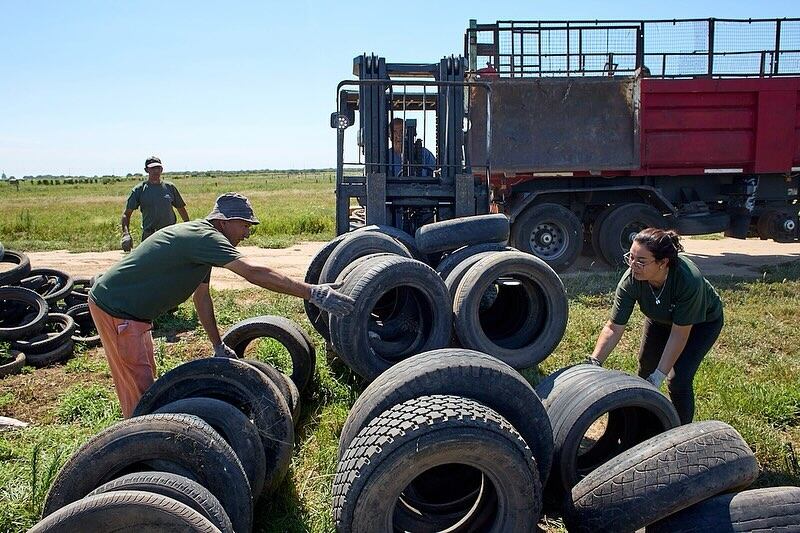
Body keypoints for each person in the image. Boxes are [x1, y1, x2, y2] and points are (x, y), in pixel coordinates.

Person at [89, 193, 354, 417]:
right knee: (140, 393)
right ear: (224, 221)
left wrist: (218, 345)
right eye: (245, 225)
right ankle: (137, 449)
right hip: (117, 309)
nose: (247, 233)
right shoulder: (206, 238)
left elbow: (201, 298)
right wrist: (312, 293)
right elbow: (253, 272)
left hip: (130, 312)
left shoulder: (201, 243)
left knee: (144, 377)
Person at [586, 228, 724, 424]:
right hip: (659, 320)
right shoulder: (631, 280)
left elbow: (679, 334)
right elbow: (613, 327)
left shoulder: (688, 280)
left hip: (700, 324)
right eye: (631, 257)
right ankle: (642, 425)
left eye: (641, 261)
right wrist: (594, 361)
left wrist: (659, 376)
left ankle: (680, 430)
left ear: (663, 262)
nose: (633, 265)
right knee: (645, 369)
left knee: (678, 379)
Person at [120, 156, 189, 251]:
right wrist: (126, 234)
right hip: (149, 237)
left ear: (162, 169)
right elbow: (126, 215)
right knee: (148, 264)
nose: (156, 171)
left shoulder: (170, 187)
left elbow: (181, 208)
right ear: (146, 170)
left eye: (158, 168)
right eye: (152, 168)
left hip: (169, 236)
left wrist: (189, 228)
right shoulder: (139, 190)